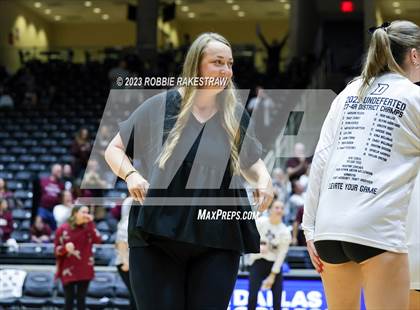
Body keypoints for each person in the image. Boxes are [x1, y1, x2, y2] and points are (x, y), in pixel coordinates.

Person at [105, 32, 273, 309]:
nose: (226, 70)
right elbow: (114, 149)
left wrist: (264, 179)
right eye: (217, 62)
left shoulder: (235, 114)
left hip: (218, 236)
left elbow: (251, 161)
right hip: (157, 238)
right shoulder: (158, 106)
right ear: (196, 65)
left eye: (230, 64)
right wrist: (131, 175)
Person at [302, 20, 420, 309]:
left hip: (329, 230)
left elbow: (321, 160)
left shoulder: (347, 94)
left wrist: (309, 228)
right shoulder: (414, 97)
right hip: (378, 229)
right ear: (415, 55)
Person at [54, 205, 101, 310]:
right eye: (83, 212)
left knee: (81, 301)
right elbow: (56, 251)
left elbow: (98, 240)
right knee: (68, 301)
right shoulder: (62, 229)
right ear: (75, 213)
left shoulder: (89, 228)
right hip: (68, 269)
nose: (86, 215)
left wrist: (91, 223)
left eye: (87, 212)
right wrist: (65, 248)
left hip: (85, 268)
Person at [247, 200, 291, 310]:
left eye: (282, 208)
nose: (279, 210)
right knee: (252, 297)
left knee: (277, 300)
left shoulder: (285, 231)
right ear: (270, 209)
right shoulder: (261, 222)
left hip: (274, 266)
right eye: (277, 207)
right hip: (257, 262)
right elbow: (250, 236)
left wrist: (272, 275)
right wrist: (259, 245)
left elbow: (282, 254)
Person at [115, 197, 137, 310]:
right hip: (125, 263)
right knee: (136, 295)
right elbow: (121, 243)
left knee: (137, 295)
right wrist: (125, 262)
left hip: (132, 263)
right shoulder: (127, 222)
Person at [37, 164, 64, 230]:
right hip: (43, 208)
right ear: (53, 171)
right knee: (38, 222)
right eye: (58, 171)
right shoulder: (43, 181)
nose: (60, 173)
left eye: (61, 171)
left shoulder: (61, 185)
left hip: (55, 209)